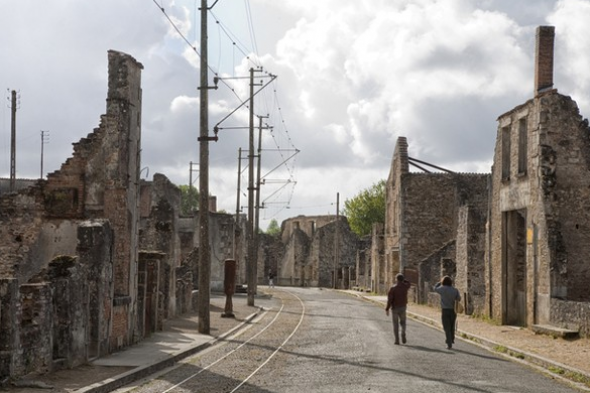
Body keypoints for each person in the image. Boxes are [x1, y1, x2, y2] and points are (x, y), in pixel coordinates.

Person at [433, 275, 461, 349]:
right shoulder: (455, 290)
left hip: (445, 310)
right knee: (452, 326)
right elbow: (459, 298)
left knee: (446, 327)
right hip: (453, 310)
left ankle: (449, 342)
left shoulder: (442, 289)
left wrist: (439, 283)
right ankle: (452, 339)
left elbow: (435, 288)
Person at [385, 273, 411, 345]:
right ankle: (403, 332)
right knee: (403, 322)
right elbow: (409, 283)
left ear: (396, 280)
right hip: (403, 307)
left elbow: (390, 299)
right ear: (402, 280)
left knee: (395, 324)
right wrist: (404, 280)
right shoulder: (405, 287)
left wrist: (387, 308)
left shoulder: (393, 288)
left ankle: (397, 340)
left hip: (395, 308)